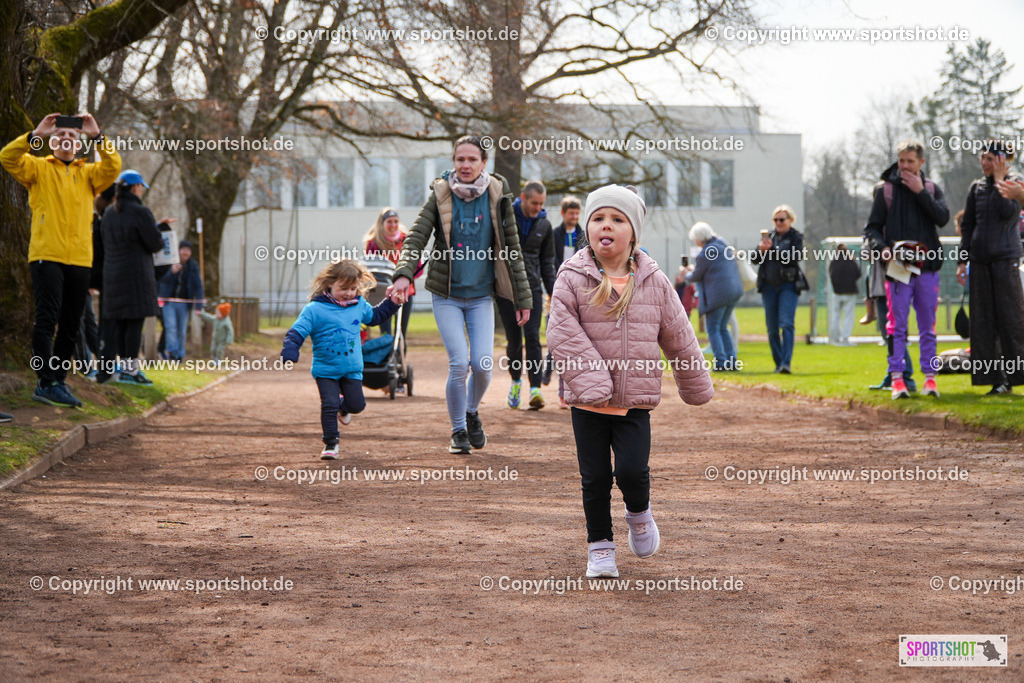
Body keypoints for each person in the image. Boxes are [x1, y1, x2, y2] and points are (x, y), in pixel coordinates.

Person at [547, 184, 713, 578]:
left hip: (635, 400)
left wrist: (695, 383)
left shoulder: (654, 281)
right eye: (598, 218)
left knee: (633, 472)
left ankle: (639, 514)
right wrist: (590, 380)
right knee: (596, 478)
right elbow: (561, 332)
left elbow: (679, 333)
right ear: (587, 228)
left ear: (633, 233)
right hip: (588, 401)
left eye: (617, 219)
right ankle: (600, 547)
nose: (607, 225)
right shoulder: (570, 276)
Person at [390, 135, 532, 454]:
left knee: (482, 364)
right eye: (459, 159)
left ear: (484, 163)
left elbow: (512, 250)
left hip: (481, 296)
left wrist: (523, 299)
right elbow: (415, 238)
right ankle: (457, 432)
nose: (465, 165)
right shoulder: (441, 194)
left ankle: (470, 412)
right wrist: (402, 274)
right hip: (447, 295)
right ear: (453, 162)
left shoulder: (498, 196)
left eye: (472, 160)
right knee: (459, 364)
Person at [1, 112, 121, 407]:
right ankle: (45, 381)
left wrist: (97, 136)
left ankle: (58, 381)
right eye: (61, 136)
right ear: (52, 142)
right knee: (46, 319)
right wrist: (36, 134)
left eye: (72, 136)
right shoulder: (38, 169)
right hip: (46, 255)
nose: (67, 139)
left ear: (79, 145)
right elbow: (7, 157)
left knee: (70, 324)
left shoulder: (89, 174)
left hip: (80, 259)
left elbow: (113, 166)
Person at [281, 260, 400, 459]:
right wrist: (290, 349)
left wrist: (392, 303)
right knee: (328, 404)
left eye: (353, 288)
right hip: (325, 369)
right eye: (343, 288)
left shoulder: (359, 305)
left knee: (357, 406)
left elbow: (376, 316)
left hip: (351, 368)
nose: (349, 293)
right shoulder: (314, 309)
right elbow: (297, 331)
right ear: (329, 284)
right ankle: (331, 443)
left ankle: (343, 407)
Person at [864, 140, 949, 400]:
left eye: (910, 161)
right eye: (901, 161)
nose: (905, 166)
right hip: (898, 267)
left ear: (921, 162)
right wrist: (882, 248)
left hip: (927, 267)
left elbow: (943, 219)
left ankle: (931, 380)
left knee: (928, 326)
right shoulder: (886, 190)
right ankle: (898, 380)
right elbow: (872, 228)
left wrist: (921, 191)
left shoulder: (932, 188)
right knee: (896, 325)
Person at [957, 140, 1024, 395]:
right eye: (982, 157)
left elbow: (1007, 212)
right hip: (979, 261)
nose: (984, 162)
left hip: (1005, 261)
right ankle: (996, 380)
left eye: (990, 158)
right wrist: (962, 260)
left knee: (1011, 320)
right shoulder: (975, 188)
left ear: (1003, 160)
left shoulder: (1015, 183)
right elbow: (968, 226)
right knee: (983, 323)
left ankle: (1016, 376)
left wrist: (999, 180)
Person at [97, 170, 169, 384]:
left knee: (120, 324)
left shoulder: (109, 213)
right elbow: (154, 243)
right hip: (136, 277)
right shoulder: (140, 212)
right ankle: (131, 371)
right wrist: (161, 230)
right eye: (140, 187)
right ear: (136, 187)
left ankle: (122, 368)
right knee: (134, 325)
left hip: (112, 276)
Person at [497, 180, 555, 410]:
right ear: (523, 197)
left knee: (532, 338)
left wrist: (554, 293)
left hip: (532, 290)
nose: (537, 208)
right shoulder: (505, 217)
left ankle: (535, 389)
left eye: (541, 203)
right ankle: (515, 383)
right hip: (506, 290)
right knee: (513, 341)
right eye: (534, 203)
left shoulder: (545, 225)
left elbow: (547, 263)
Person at [751, 204, 806, 374]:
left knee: (787, 323)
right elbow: (754, 260)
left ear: (790, 220)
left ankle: (786, 363)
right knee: (772, 328)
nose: (778, 223)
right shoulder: (769, 237)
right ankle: (778, 363)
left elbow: (795, 257)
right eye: (776, 220)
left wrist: (772, 250)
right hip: (768, 287)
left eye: (782, 219)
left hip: (788, 286)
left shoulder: (796, 237)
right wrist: (761, 250)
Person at [684, 222, 743, 370]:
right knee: (723, 327)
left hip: (718, 295)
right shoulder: (722, 243)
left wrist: (686, 273)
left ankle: (721, 363)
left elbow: (695, 276)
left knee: (713, 328)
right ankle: (732, 362)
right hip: (734, 292)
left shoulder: (705, 254)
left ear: (699, 239)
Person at [549, 196, 587, 406]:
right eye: (570, 213)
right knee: (560, 340)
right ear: (563, 213)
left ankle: (575, 390)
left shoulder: (584, 236)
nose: (574, 217)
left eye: (576, 213)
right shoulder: (554, 234)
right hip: (556, 289)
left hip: (580, 290)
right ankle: (561, 390)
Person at [363, 207, 423, 338]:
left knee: (401, 332)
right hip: (383, 291)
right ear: (382, 223)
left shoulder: (406, 240)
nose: (393, 225)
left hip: (405, 290)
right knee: (386, 332)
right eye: (389, 222)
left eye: (396, 221)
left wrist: (406, 278)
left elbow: (418, 266)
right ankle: (386, 356)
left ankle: (400, 356)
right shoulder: (374, 243)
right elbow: (370, 267)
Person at [158, 240, 204, 361]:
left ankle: (180, 354)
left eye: (187, 250)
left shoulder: (193, 266)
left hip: (184, 303)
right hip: (169, 302)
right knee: (171, 327)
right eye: (183, 249)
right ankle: (172, 353)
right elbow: (161, 280)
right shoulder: (170, 263)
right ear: (178, 251)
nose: (185, 252)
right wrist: (171, 272)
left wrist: (199, 306)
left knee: (181, 330)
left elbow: (198, 286)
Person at [828, 243, 862, 346]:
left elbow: (831, 274)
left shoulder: (834, 262)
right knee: (848, 315)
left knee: (836, 315)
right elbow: (858, 274)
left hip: (837, 292)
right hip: (850, 291)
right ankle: (845, 338)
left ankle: (835, 338)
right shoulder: (851, 261)